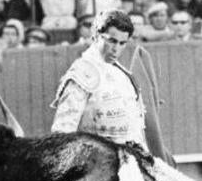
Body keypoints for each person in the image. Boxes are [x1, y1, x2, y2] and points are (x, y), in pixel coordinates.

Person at [51, 9, 147, 147]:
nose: (116, 49)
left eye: (122, 43)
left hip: (129, 154)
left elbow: (136, 130)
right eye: (112, 41)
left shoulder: (122, 75)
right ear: (96, 36)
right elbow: (63, 132)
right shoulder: (81, 74)